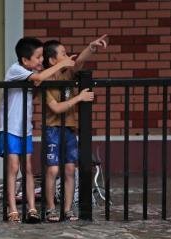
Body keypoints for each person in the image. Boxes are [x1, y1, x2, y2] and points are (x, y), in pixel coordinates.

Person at [0, 37, 76, 223]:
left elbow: (41, 79)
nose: (41, 60)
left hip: (24, 128)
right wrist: (63, 63)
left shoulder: (30, 71)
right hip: (10, 127)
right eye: (38, 57)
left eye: (42, 56)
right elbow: (41, 77)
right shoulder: (16, 70)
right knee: (13, 168)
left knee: (28, 168)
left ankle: (32, 207)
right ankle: (12, 208)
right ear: (25, 60)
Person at [42, 34, 108, 222]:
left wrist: (91, 47)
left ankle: (68, 209)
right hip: (52, 129)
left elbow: (79, 61)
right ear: (52, 60)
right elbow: (55, 107)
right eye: (63, 53)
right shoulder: (46, 80)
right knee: (53, 170)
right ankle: (50, 209)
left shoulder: (69, 73)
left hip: (70, 129)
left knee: (70, 169)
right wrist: (79, 98)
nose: (67, 55)